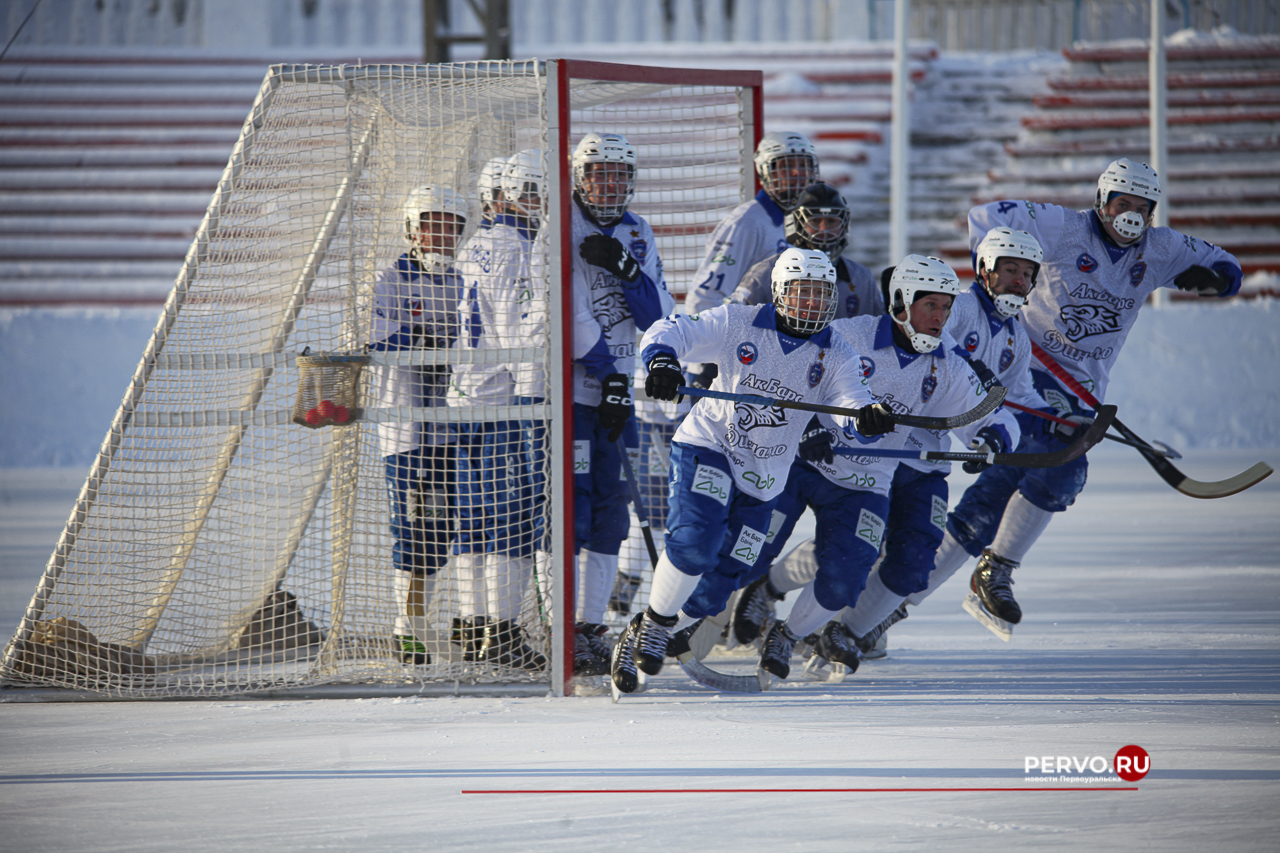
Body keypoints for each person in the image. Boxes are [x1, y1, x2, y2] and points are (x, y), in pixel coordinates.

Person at [941, 158, 1243, 634]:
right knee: (1065, 464)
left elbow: (1226, 263)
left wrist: (1217, 279)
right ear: (1102, 201)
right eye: (1122, 203)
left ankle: (889, 606)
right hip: (1026, 371)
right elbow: (984, 216)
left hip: (1082, 393)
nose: (1132, 215)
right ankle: (995, 572)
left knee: (997, 498)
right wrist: (994, 284)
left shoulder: (1160, 248)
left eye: (1142, 207)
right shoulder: (1063, 226)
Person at [610, 247, 893, 694]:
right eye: (803, 294)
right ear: (780, 293)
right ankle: (658, 626)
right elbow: (672, 330)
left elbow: (849, 401)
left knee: (730, 572)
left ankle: (651, 626)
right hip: (711, 445)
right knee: (695, 543)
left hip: (765, 476)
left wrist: (867, 418)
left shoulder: (837, 349)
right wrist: (662, 361)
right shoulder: (739, 322)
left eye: (822, 295)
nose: (813, 304)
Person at [739, 255, 1020, 680]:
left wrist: (993, 439)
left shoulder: (952, 361)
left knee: (909, 562)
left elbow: (996, 416)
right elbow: (795, 373)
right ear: (902, 303)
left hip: (900, 470)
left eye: (946, 308)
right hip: (829, 460)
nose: (940, 318)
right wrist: (810, 424)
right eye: (931, 306)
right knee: (789, 545)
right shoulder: (849, 336)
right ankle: (754, 592)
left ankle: (839, 632)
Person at [807, 228, 1048, 662]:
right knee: (853, 542)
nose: (1017, 281)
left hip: (925, 459)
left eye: (1027, 274)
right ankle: (770, 593)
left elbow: (1012, 402)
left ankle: (851, 630)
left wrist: (1013, 429)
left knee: (913, 558)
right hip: (876, 450)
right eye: (1009, 269)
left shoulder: (1016, 338)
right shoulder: (959, 306)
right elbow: (924, 343)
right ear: (985, 271)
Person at [568, 132, 675, 676]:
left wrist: (627, 269)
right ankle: (558, 626)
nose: (608, 184)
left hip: (616, 392)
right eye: (598, 174)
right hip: (571, 394)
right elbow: (563, 310)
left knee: (613, 511)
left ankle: (590, 627)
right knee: (571, 511)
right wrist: (604, 374)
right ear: (579, 177)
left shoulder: (637, 230)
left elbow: (658, 312)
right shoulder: (560, 225)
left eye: (617, 174)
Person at [446, 149, 548, 671]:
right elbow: (518, 335)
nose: (538, 203)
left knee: (473, 520)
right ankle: (502, 633)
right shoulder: (519, 249)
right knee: (509, 521)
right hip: (499, 398)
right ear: (504, 196)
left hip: (461, 393)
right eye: (529, 192)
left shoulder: (474, 246)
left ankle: (472, 624)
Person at [369, 185, 467, 666]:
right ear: (412, 229)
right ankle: (404, 627)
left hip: (450, 426)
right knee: (409, 527)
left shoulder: (463, 280)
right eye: (433, 224)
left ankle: (422, 620)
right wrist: (424, 341)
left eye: (452, 226)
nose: (442, 234)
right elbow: (375, 335)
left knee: (440, 529)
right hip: (404, 427)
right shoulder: (388, 276)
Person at [683, 132, 820, 388]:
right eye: (787, 166)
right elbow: (706, 294)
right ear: (765, 172)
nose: (797, 173)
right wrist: (710, 359)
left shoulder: (801, 223)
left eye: (804, 165)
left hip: (765, 358)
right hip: (726, 360)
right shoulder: (747, 222)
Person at [730, 181, 883, 320]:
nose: (824, 230)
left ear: (844, 225)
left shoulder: (861, 278)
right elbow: (739, 325)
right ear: (796, 224)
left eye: (832, 221)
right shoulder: (764, 275)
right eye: (815, 221)